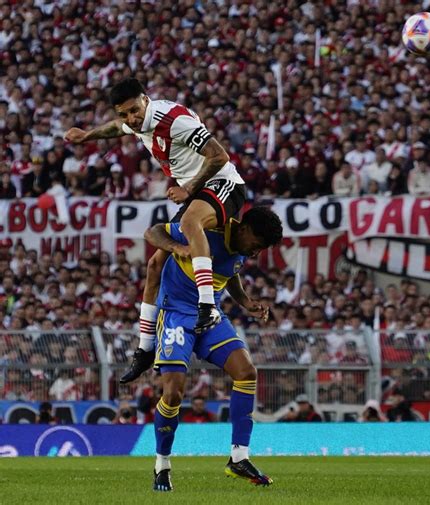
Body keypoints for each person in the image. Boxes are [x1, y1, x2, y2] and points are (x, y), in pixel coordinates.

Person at [64, 78, 246, 351]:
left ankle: (207, 306)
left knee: (190, 221)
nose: (131, 118)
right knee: (154, 265)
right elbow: (118, 127)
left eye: (134, 110)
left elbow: (219, 156)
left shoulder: (174, 121)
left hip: (222, 183)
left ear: (145, 99)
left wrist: (188, 187)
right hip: (196, 191)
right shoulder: (136, 120)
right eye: (124, 113)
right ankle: (145, 347)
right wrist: (86, 135)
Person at [142, 207, 282, 491]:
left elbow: (230, 271)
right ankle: (162, 464)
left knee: (246, 372)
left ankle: (239, 457)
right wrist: (176, 247)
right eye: (255, 246)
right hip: (175, 314)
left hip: (211, 315)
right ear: (243, 229)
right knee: (173, 393)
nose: (254, 254)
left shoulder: (241, 248)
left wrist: (245, 301)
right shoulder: (204, 228)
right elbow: (153, 231)